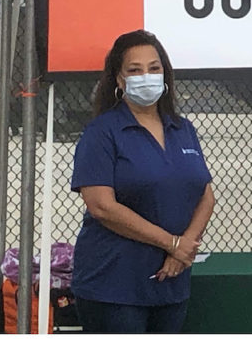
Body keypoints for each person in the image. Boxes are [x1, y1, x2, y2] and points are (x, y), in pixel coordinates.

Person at [70, 30, 215, 333]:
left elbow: (206, 194)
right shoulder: (102, 132)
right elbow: (102, 207)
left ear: (165, 74)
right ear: (120, 81)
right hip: (114, 285)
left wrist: (184, 247)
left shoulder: (183, 128)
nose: (145, 76)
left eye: (153, 68)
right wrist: (172, 244)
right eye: (134, 70)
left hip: (171, 283)